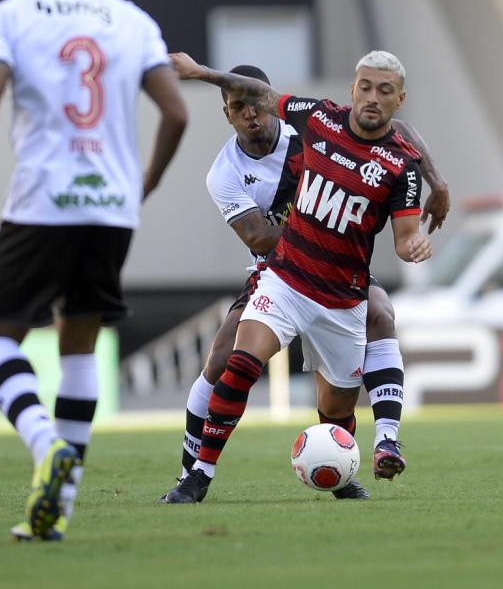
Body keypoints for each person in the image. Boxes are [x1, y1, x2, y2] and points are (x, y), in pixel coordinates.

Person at [0, 0, 187, 541]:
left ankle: (45, 444)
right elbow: (177, 112)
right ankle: (59, 509)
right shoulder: (131, 18)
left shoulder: (6, 17)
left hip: (42, 203)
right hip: (110, 211)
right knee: (77, 345)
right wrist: (142, 184)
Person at [161, 64, 449, 502]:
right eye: (237, 109)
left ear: (266, 103)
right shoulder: (225, 172)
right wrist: (326, 231)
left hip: (340, 274)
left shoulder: (310, 127)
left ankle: (366, 450)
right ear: (227, 115)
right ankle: (193, 472)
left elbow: (398, 131)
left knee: (379, 317)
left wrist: (437, 182)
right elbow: (257, 236)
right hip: (279, 267)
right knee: (224, 361)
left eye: (253, 106)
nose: (250, 117)